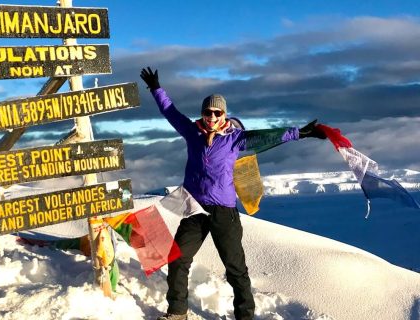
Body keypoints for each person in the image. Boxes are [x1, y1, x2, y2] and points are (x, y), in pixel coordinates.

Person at [139, 67, 326, 320]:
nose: (212, 117)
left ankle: (245, 315)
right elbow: (170, 112)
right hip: (194, 207)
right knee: (178, 259)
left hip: (223, 211)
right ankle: (177, 312)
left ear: (224, 114)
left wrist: (300, 133)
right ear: (203, 113)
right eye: (208, 112)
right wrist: (155, 88)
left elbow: (265, 138)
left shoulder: (234, 139)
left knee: (235, 268)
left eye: (217, 112)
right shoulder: (192, 133)